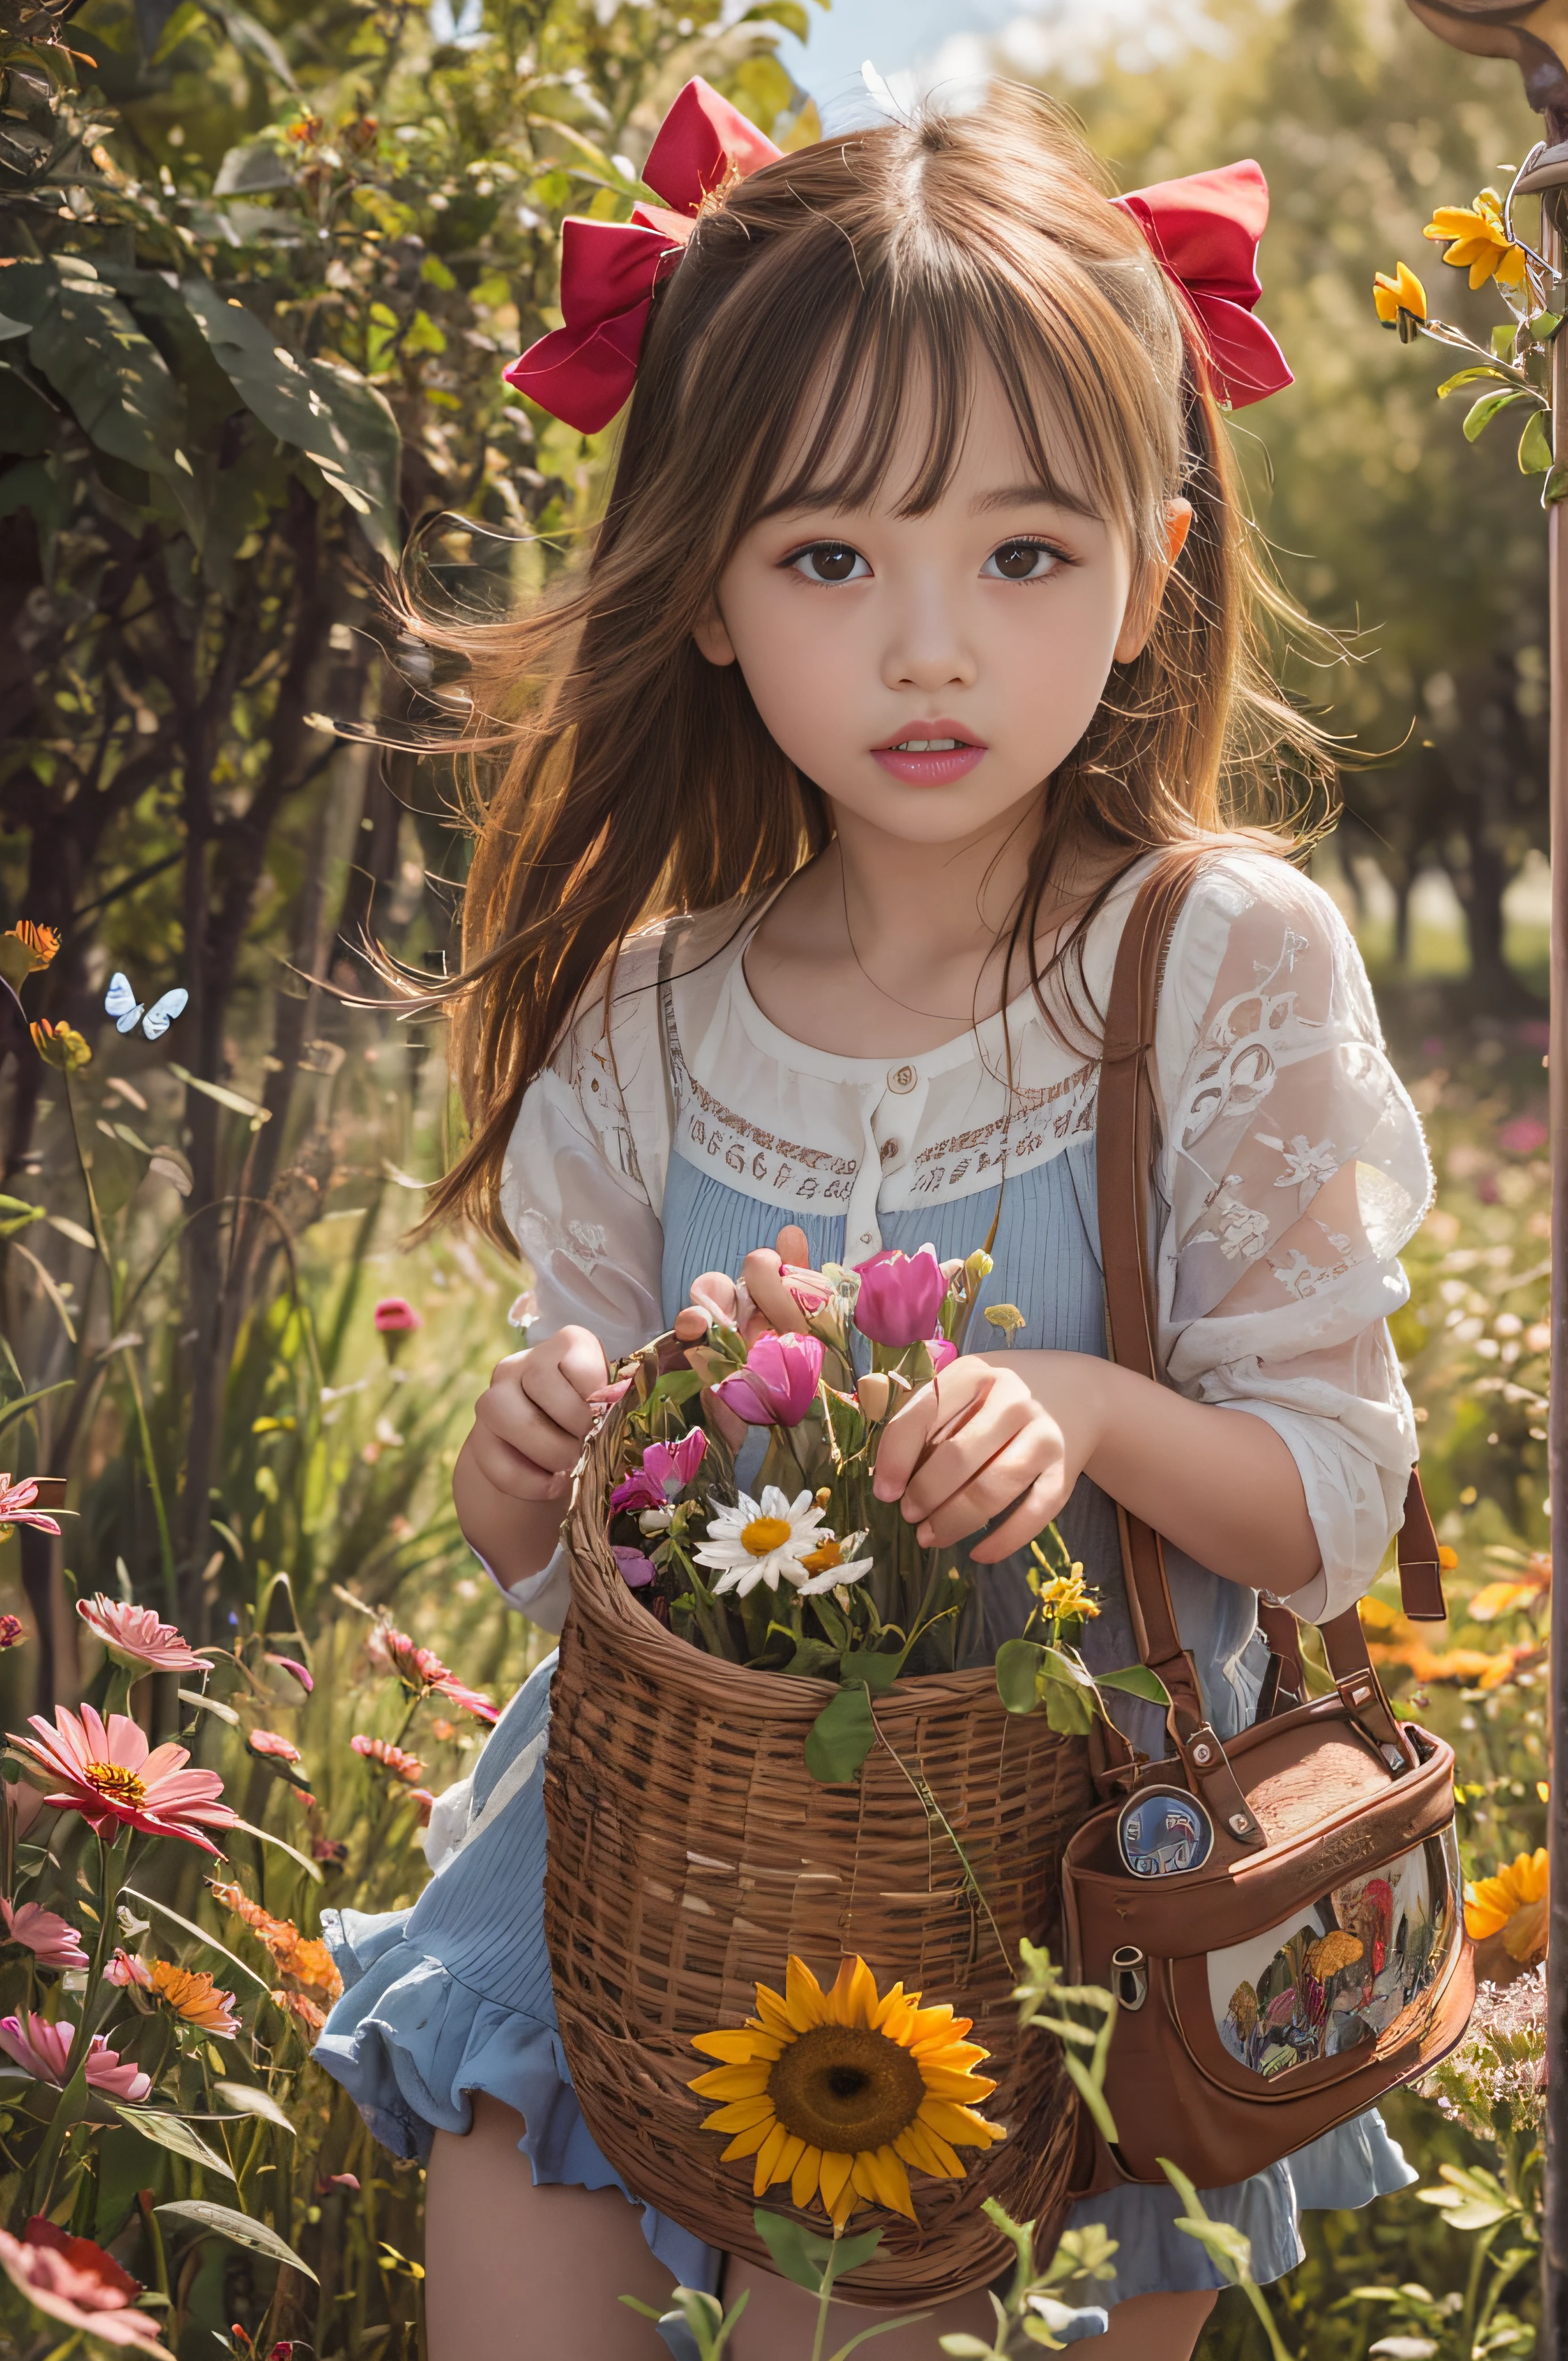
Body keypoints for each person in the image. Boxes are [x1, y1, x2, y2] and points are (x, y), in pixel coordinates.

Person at [316, 76, 1431, 2361]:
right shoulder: (650, 1013)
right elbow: (554, 1558)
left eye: (1021, 554)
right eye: (828, 558)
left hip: (1053, 1910)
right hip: (638, 1864)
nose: (928, 649)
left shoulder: (1203, 961)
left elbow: (1325, 1502)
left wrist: (1081, 1401)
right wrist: (526, 1459)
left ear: (1148, 570)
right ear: (707, 593)